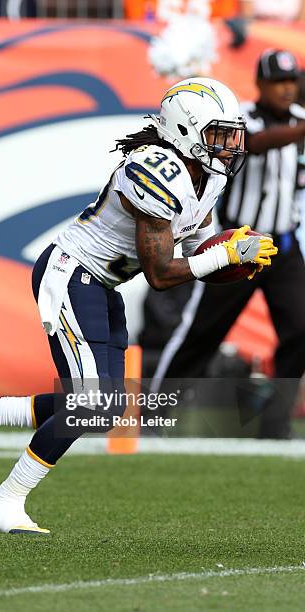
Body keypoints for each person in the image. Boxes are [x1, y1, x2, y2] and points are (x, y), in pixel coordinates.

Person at [0, 77, 277, 534]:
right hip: (73, 274)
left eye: (231, 135)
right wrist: (223, 256)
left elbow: (189, 246)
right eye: (218, 134)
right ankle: (4, 500)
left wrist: (228, 255)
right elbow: (160, 274)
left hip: (102, 285)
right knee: (91, 403)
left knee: (105, 405)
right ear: (185, 131)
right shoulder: (154, 170)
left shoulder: (206, 176)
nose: (229, 146)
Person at [151, 50, 305, 439]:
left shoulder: (302, 122)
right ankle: (157, 414)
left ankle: (274, 423)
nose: (286, 89)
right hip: (238, 243)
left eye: (292, 81)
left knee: (301, 329)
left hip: (283, 247)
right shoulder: (242, 119)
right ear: (261, 84)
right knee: (202, 332)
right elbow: (254, 144)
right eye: (278, 81)